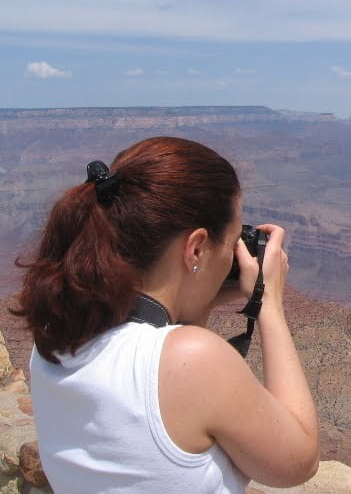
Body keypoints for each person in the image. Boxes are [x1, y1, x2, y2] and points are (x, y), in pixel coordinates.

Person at [13, 136, 320, 493]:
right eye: (234, 238)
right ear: (196, 247)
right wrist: (269, 306)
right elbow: (298, 463)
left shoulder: (57, 332)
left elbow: (153, 358)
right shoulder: (193, 359)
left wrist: (200, 296)